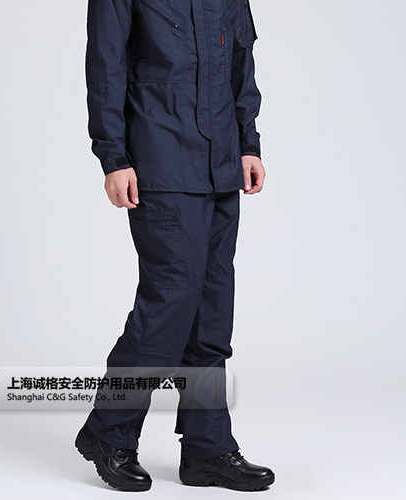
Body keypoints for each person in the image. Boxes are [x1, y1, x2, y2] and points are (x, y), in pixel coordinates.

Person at [75, 0, 275, 492]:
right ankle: (108, 431)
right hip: (160, 160)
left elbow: (241, 64)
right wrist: (113, 156)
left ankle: (207, 449)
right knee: (168, 304)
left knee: (211, 313)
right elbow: (106, 65)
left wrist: (248, 143)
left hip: (222, 164)